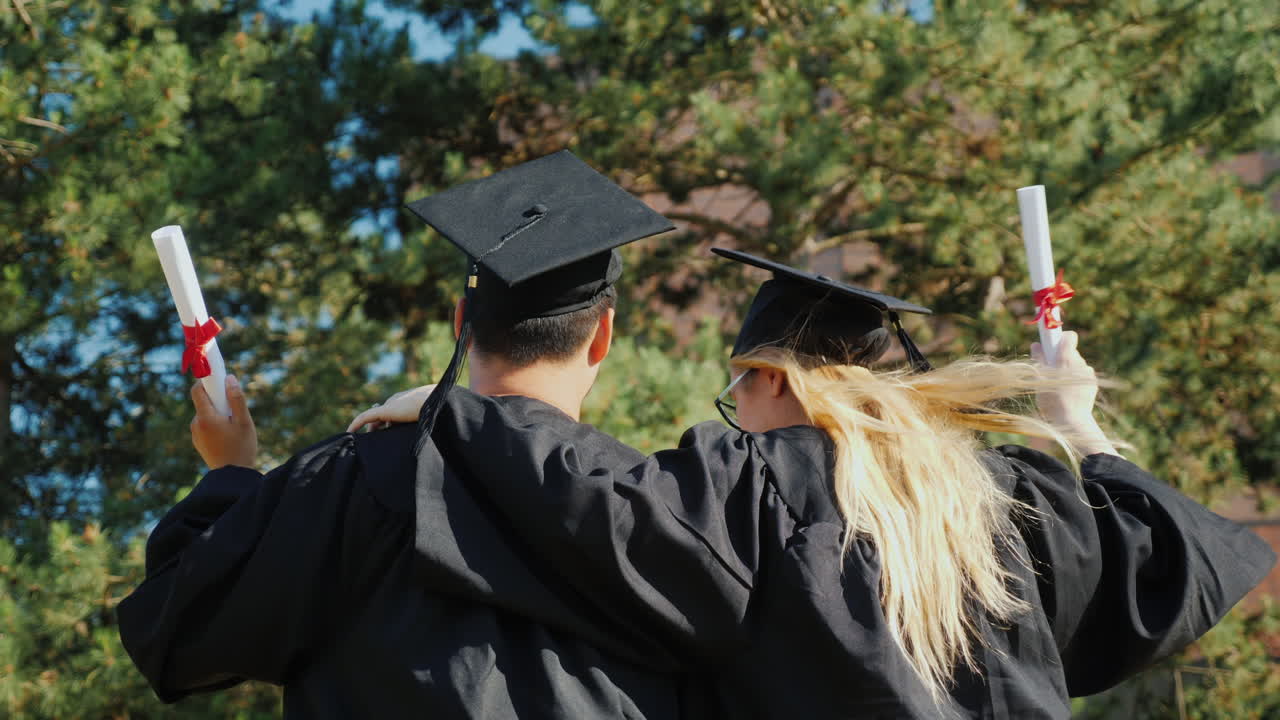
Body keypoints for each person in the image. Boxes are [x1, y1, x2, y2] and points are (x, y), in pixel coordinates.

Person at [353, 247, 1276, 719]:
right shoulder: (1001, 494)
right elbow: (1178, 557)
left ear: (773, 380)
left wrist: (450, 415)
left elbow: (584, 495)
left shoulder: (752, 489)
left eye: (737, 386)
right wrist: (1082, 428)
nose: (734, 412)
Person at [116, 150, 693, 718]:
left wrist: (230, 477)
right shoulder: (666, 516)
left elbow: (174, 633)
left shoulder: (357, 478)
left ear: (461, 323)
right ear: (603, 336)